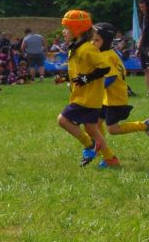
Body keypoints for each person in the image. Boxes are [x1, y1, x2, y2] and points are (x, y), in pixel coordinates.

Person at [91, 22, 149, 168]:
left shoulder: (106, 56)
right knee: (95, 124)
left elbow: (110, 78)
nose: (92, 42)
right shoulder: (106, 53)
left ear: (107, 41)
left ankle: (144, 125)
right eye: (92, 39)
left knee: (113, 130)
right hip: (106, 97)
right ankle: (102, 151)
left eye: (96, 40)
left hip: (115, 98)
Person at [56, 10, 110, 167]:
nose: (63, 32)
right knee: (92, 129)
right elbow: (77, 73)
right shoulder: (74, 48)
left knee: (62, 120)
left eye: (66, 28)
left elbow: (104, 68)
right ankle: (111, 159)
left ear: (77, 29)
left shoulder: (88, 48)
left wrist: (86, 79)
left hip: (87, 99)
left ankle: (90, 145)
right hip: (82, 97)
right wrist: (62, 79)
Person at [136, 0, 149, 95]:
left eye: (143, 6)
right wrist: (138, 47)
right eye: (140, 7)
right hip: (143, 47)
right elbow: (142, 33)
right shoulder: (142, 17)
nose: (142, 8)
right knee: (145, 70)